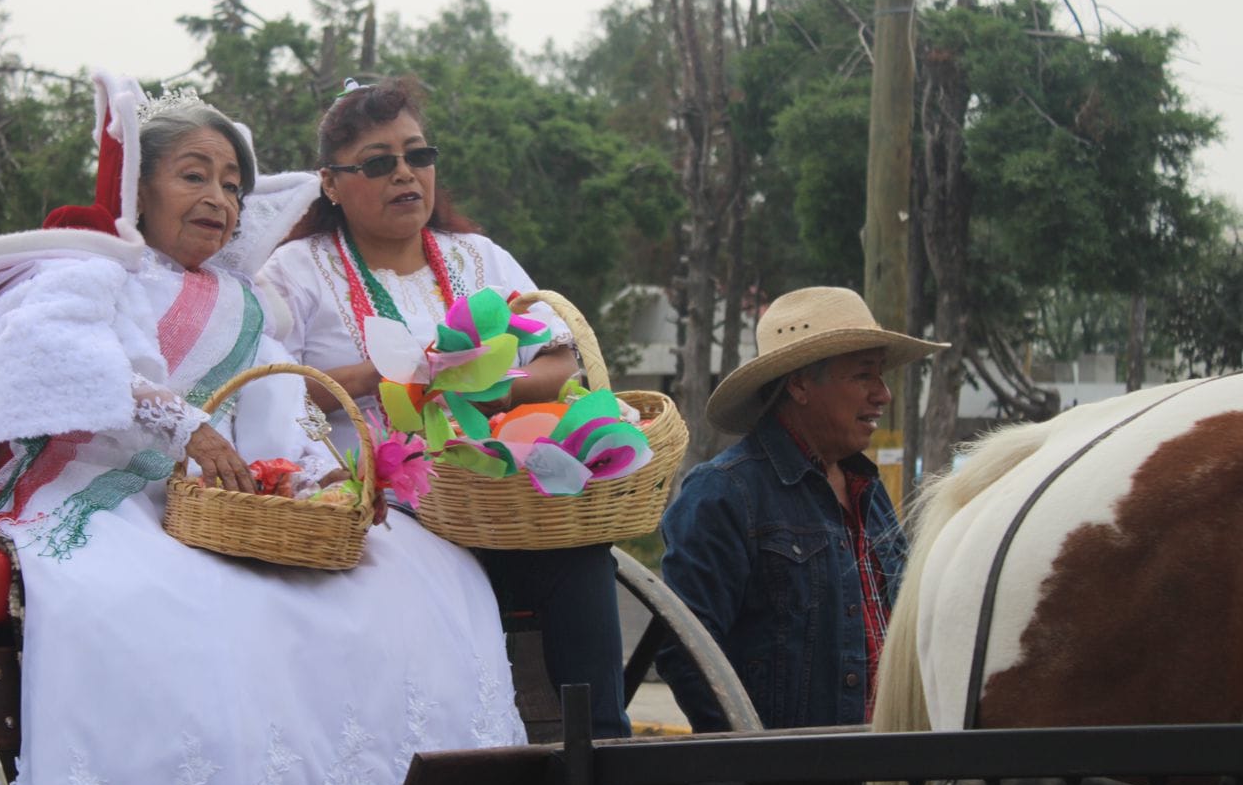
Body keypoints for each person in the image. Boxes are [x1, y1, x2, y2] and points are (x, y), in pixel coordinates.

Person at [0, 75, 524, 785]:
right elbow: (68, 360)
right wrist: (187, 429)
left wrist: (328, 483)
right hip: (98, 491)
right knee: (184, 606)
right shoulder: (91, 269)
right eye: (195, 175)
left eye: (234, 185)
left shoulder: (248, 304)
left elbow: (275, 413)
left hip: (214, 505)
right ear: (142, 189)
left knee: (411, 573)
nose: (220, 198)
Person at [258, 76, 632, 740]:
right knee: (415, 565)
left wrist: (469, 387)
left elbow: (557, 358)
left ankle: (603, 760)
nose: (405, 174)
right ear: (332, 183)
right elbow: (266, 380)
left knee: (580, 552)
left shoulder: (478, 258)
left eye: (417, 156)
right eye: (378, 163)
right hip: (373, 506)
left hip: (498, 495)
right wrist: (382, 378)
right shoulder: (295, 271)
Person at [655, 286, 946, 733]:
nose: (883, 394)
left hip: (885, 776)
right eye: (863, 375)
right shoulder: (724, 493)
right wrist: (755, 768)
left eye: (881, 375)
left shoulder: (868, 490)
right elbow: (687, 653)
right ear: (799, 384)